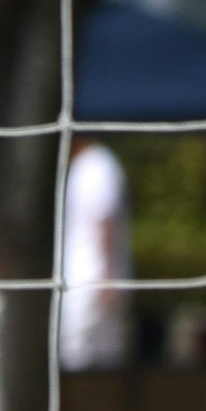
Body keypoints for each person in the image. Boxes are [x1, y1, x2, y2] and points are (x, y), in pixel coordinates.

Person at [58, 138, 132, 372]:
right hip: (86, 280)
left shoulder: (97, 165)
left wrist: (107, 277)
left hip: (90, 282)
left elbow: (104, 219)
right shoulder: (87, 165)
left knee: (91, 359)